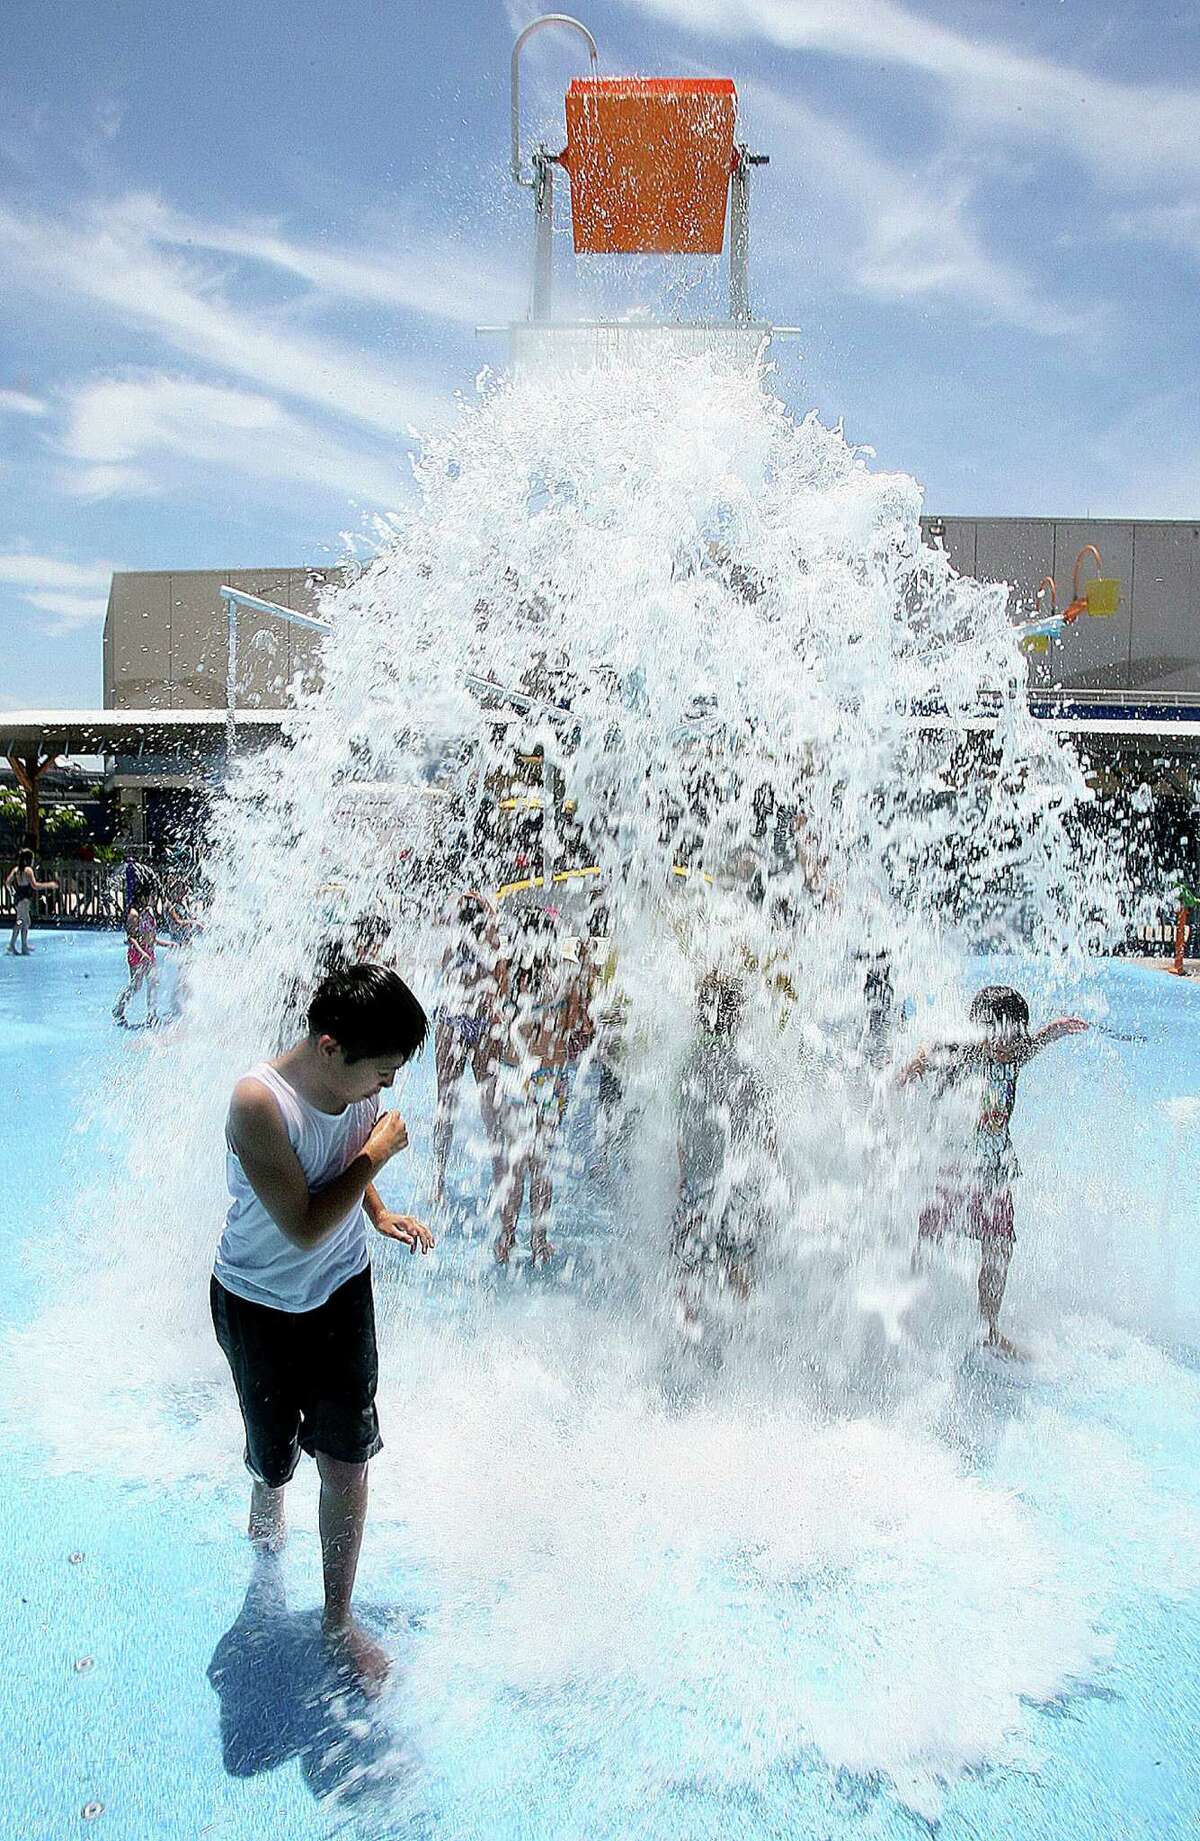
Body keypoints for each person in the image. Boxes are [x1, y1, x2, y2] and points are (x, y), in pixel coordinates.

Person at [212, 963, 433, 1691]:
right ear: (331, 1047)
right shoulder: (259, 1104)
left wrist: (379, 1209)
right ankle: (265, 1477)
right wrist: (378, 1156)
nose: (387, 1090)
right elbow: (305, 1221)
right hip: (257, 1304)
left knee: (346, 1455)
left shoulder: (354, 1088)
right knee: (276, 1456)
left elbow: (344, 1166)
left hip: (339, 1292)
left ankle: (336, 1616)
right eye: (382, 1073)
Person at [900, 985, 1088, 1358]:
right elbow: (930, 1051)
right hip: (953, 1169)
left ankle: (988, 1326)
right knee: (928, 1239)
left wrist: (1056, 1030)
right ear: (980, 1030)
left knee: (999, 1248)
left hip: (995, 1172)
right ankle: (904, 1307)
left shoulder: (1013, 1059)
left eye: (1013, 1036)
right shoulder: (963, 1055)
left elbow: (1035, 1043)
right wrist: (910, 1069)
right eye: (998, 1035)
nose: (1005, 1044)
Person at [671, 970, 778, 1337]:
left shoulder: (689, 1061)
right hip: (739, 1181)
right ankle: (747, 1338)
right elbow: (765, 1132)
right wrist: (772, 1177)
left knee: (688, 1265)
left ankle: (687, 1336)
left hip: (699, 1181)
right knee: (737, 1265)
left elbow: (682, 1129)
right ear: (738, 1018)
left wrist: (683, 1175)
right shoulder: (747, 1065)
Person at [493, 908, 592, 1266]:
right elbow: (581, 1028)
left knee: (513, 1164)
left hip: (514, 1078)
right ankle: (539, 1242)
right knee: (542, 1165)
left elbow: (496, 1023)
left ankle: (505, 1240)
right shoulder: (564, 978)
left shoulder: (504, 973)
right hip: (550, 1079)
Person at [431, 892, 505, 1207]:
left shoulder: (480, 945)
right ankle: (439, 1177)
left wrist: (479, 903)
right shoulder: (482, 945)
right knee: (459, 1103)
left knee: (462, 1102)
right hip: (462, 1022)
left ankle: (440, 1179)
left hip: (465, 1022)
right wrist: (483, 906)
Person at [112, 884, 161, 1027]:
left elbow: (152, 936)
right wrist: (142, 953)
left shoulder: (149, 913)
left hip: (149, 953)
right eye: (151, 896)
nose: (154, 898)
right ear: (143, 897)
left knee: (153, 982)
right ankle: (118, 1009)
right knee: (136, 986)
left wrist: (167, 944)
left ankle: (152, 1015)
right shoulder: (134, 915)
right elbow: (131, 938)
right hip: (137, 954)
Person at [5, 849, 57, 956]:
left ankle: (24, 944)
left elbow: (8, 882)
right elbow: (35, 885)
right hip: (23, 899)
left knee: (26, 921)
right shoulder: (28, 870)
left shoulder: (16, 870)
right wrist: (49, 885)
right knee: (20, 921)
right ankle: (12, 944)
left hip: (19, 898)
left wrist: (12, 892)